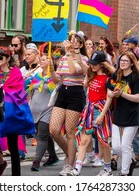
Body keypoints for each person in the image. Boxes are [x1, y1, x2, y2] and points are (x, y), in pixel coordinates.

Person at [68, 50, 114, 176]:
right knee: (84, 141)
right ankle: (77, 169)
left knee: (103, 142)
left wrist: (102, 114)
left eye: (95, 64)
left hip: (100, 109)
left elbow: (109, 97)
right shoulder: (90, 73)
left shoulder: (108, 78)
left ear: (102, 64)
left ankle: (108, 169)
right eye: (91, 63)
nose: (92, 66)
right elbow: (80, 62)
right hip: (89, 109)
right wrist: (75, 50)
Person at [49, 31, 88, 176]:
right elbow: (57, 79)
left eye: (75, 41)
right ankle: (70, 152)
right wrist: (51, 68)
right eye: (70, 39)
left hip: (75, 94)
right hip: (63, 93)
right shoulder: (65, 57)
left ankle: (69, 164)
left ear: (81, 44)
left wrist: (69, 53)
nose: (71, 42)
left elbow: (73, 70)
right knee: (53, 130)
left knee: (71, 132)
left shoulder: (82, 58)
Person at [0, 46, 35, 176]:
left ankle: (16, 176)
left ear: (7, 59)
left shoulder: (16, 72)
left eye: (0, 57)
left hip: (11, 113)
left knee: (13, 146)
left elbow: (19, 91)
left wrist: (5, 90)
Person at [108, 51, 139, 176]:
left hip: (132, 114)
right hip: (118, 114)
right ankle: (130, 161)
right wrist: (112, 93)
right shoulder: (115, 75)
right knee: (116, 147)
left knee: (126, 145)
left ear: (131, 63)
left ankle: (124, 173)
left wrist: (122, 94)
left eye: (125, 61)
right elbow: (109, 89)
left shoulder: (135, 77)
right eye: (121, 60)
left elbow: (138, 98)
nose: (122, 63)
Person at [26, 53, 59, 172]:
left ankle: (36, 161)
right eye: (42, 59)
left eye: (45, 59)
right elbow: (31, 91)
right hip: (34, 111)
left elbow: (55, 90)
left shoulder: (54, 76)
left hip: (47, 110)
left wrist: (48, 79)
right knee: (42, 134)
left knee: (42, 135)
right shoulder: (37, 75)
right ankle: (53, 156)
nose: (42, 61)